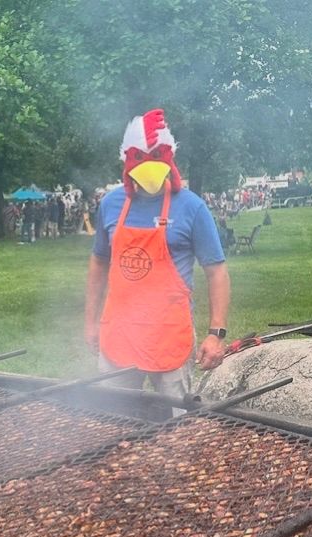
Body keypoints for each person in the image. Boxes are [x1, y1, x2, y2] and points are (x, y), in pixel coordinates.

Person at [84, 108, 230, 400]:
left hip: (169, 332)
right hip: (120, 332)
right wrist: (90, 322)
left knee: (176, 426)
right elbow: (99, 263)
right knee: (115, 419)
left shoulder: (192, 207)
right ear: (128, 161)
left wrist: (216, 333)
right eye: (141, 159)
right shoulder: (111, 204)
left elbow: (217, 272)